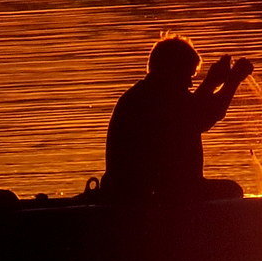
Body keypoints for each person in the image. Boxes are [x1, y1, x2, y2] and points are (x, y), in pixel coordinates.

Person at [102, 34, 253, 202]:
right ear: (171, 71)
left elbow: (191, 111)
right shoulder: (154, 98)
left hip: (153, 189)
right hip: (152, 194)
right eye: (187, 76)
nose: (190, 84)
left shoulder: (149, 93)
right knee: (232, 190)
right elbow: (201, 118)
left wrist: (212, 82)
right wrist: (232, 81)